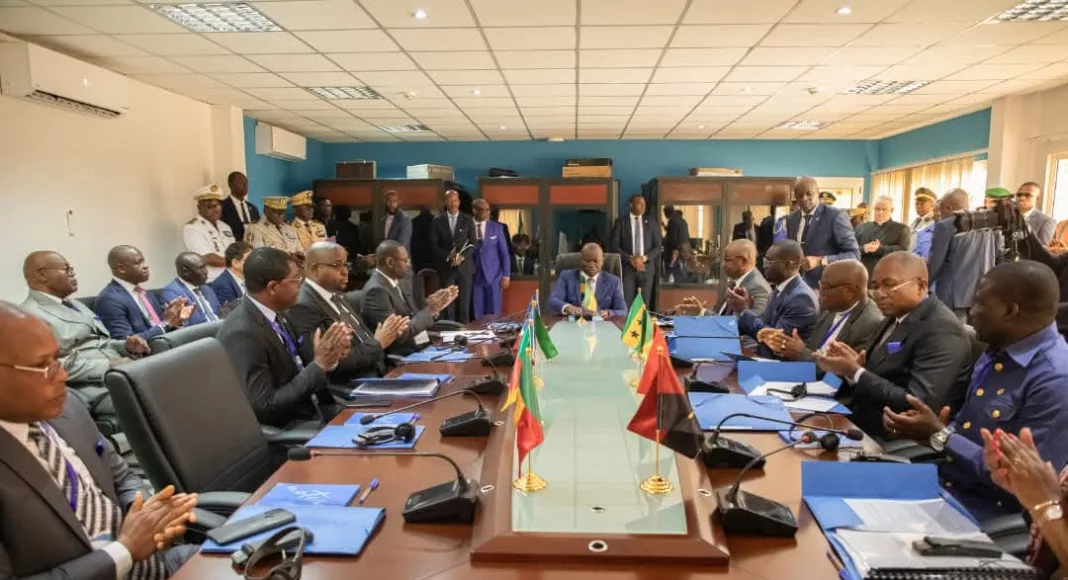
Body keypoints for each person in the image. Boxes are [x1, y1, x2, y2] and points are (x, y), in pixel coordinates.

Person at [0, 301, 198, 579]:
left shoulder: (67, 409)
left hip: (156, 564)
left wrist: (144, 514)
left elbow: (120, 476)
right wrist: (124, 551)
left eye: (57, 360)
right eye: (43, 366)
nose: (63, 376)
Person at [882, 260, 1068, 522]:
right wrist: (931, 432)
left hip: (986, 515)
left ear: (1009, 311)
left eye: (980, 303)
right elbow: (965, 431)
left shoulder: (1056, 380)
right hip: (943, 485)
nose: (972, 313)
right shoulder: (997, 350)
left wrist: (942, 436)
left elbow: (1020, 484)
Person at [816, 251, 972, 440]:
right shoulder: (895, 316)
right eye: (875, 287)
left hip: (895, 435)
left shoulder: (942, 330)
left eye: (889, 285)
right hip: (858, 420)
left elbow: (917, 402)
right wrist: (851, 369)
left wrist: (857, 372)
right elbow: (876, 375)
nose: (880, 294)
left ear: (920, 286)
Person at [216, 247, 353, 429]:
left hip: (317, 409)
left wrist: (331, 359)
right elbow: (266, 405)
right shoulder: (243, 334)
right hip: (291, 427)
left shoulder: (278, 311)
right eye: (296, 280)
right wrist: (319, 365)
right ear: (273, 287)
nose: (301, 285)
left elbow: (301, 366)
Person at [20, 251, 149, 418]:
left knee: (177, 382)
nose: (73, 275)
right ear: (42, 274)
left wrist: (125, 346)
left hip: (123, 371)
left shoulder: (74, 304)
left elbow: (101, 340)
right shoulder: (28, 315)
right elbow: (48, 368)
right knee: (160, 398)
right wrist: (108, 366)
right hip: (92, 386)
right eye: (67, 270)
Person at [288, 242, 408, 382]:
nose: (345, 271)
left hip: (382, 373)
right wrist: (379, 343)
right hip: (353, 387)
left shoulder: (335, 294)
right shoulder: (304, 306)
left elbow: (362, 339)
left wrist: (390, 334)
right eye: (337, 265)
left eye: (345, 264)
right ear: (316, 269)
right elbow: (331, 364)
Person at [764, 259, 883, 362]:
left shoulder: (871, 323)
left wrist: (801, 353)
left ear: (850, 291)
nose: (820, 293)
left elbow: (842, 372)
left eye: (826, 288)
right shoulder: (830, 308)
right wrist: (787, 346)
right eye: (820, 285)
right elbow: (814, 351)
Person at [361, 241, 459, 355]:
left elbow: (412, 318)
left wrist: (432, 305)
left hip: (421, 342)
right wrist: (430, 310)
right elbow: (398, 336)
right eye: (405, 260)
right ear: (390, 262)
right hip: (404, 352)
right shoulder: (376, 291)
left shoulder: (398, 282)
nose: (408, 264)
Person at [732, 240, 819, 359]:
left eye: (769, 261)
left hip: (786, 370)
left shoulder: (801, 298)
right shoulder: (778, 290)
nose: (764, 265)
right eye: (764, 260)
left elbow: (774, 340)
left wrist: (744, 311)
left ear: (788, 264)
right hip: (765, 360)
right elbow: (763, 327)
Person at [928, 188, 999, 322]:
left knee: (951, 334)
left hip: (952, 296)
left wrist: (922, 287)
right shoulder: (988, 224)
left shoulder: (946, 225)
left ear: (948, 207)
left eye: (940, 209)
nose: (939, 214)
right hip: (981, 292)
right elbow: (997, 256)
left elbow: (936, 263)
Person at [97, 246, 191, 340]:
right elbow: (126, 341)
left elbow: (162, 324)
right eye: (138, 263)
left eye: (143, 262)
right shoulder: (109, 299)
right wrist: (167, 323)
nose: (145, 266)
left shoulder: (145, 293)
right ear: (122, 269)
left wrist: (175, 318)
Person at [784, 177, 860, 287]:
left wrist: (820, 261)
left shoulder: (835, 216)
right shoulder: (791, 219)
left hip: (827, 285)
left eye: (809, 193)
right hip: (798, 285)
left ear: (817, 192)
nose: (804, 198)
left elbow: (854, 254)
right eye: (800, 195)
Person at [675, 239, 771, 317]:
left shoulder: (758, 288)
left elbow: (747, 326)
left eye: (727, 260)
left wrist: (702, 313)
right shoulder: (733, 283)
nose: (723, 264)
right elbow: (719, 315)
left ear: (743, 261)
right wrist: (699, 309)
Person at [430, 190, 476, 323]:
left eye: (455, 200)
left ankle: (464, 334)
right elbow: (434, 244)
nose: (453, 203)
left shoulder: (467, 220)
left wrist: (462, 256)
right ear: (445, 202)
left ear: (459, 202)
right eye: (450, 200)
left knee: (464, 305)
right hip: (446, 268)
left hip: (465, 268)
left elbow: (473, 243)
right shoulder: (437, 220)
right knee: (447, 304)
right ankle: (449, 333)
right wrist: (449, 256)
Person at [548, 242, 627, 318]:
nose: (591, 265)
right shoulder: (566, 277)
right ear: (580, 260)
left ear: (602, 260)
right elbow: (553, 300)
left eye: (595, 261)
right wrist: (568, 307)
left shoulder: (613, 281)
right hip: (574, 325)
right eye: (587, 261)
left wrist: (608, 313)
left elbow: (623, 310)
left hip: (601, 326)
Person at [609, 194, 663, 306]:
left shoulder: (651, 222)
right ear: (630, 205)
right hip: (627, 269)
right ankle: (626, 324)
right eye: (640, 204)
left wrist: (643, 258)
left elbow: (658, 247)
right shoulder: (621, 222)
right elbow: (614, 246)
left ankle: (642, 324)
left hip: (646, 269)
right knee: (626, 303)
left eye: (644, 204)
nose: (643, 207)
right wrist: (630, 259)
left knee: (644, 304)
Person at [182, 183, 235, 282]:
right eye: (209, 206)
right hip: (211, 281)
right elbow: (207, 258)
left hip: (231, 278)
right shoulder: (192, 228)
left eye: (217, 205)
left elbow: (234, 251)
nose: (215, 209)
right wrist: (235, 263)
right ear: (199, 207)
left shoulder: (225, 226)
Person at [471, 199, 511, 319]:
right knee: (477, 314)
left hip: (494, 278)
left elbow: (504, 253)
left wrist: (506, 276)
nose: (488, 213)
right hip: (474, 278)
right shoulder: (466, 225)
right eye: (484, 210)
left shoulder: (496, 228)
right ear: (474, 210)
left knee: (494, 313)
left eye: (488, 210)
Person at [161, 252, 222, 326]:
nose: (206, 271)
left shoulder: (206, 288)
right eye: (201, 268)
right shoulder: (172, 293)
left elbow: (218, 313)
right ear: (185, 271)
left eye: (205, 267)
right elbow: (188, 325)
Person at [855, 195, 910, 276]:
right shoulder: (861, 228)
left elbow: (903, 250)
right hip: (864, 273)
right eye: (877, 209)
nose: (880, 212)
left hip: (889, 273)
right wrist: (865, 248)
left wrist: (880, 249)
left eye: (884, 209)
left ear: (891, 210)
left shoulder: (901, 229)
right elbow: (852, 248)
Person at [211, 241, 252, 309]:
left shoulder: (254, 278)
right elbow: (232, 314)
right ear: (235, 263)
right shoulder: (221, 284)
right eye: (250, 260)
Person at [220, 171, 259, 243]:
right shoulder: (222, 206)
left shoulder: (253, 208)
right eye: (241, 182)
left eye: (246, 183)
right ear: (230, 184)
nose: (245, 186)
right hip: (233, 248)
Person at [1018, 181, 1057, 246]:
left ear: (1038, 198)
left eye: (1028, 195)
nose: (1021, 198)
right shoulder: (1009, 217)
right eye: (1019, 195)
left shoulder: (1046, 221)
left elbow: (1043, 251)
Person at [410, 206, 435, 272]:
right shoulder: (437, 221)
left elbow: (413, 243)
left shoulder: (414, 221)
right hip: (433, 261)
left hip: (419, 261)